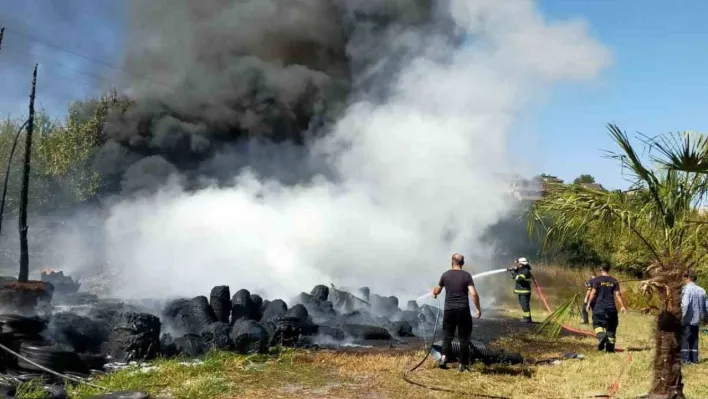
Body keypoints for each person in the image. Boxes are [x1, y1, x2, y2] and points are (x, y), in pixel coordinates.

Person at [432, 253, 481, 373]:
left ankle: (443, 358)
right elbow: (473, 293)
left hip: (449, 310)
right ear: (462, 263)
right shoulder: (467, 276)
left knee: (447, 336)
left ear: (451, 262)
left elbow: (437, 290)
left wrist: (434, 292)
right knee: (464, 338)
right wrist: (478, 308)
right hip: (463, 310)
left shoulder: (445, 275)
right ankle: (462, 364)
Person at [586, 264, 627, 352]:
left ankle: (602, 336)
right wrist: (623, 306)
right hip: (611, 308)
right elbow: (618, 295)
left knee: (596, 324)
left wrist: (588, 303)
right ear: (609, 269)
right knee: (611, 327)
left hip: (599, 308)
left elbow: (593, 292)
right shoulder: (614, 280)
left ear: (601, 269)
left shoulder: (597, 280)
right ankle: (610, 349)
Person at [680, 270, 708, 364]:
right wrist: (705, 318)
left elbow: (685, 305)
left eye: (684, 277)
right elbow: (706, 306)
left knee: (685, 339)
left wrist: (681, 316)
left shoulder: (686, 289)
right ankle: (694, 359)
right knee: (694, 339)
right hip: (697, 320)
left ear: (688, 278)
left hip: (686, 319)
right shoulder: (702, 290)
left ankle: (685, 359)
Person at [508, 257, 534, 323]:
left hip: (524, 291)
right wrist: (512, 270)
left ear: (523, 264)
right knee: (523, 305)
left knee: (525, 306)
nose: (518, 265)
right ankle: (526, 318)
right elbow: (515, 275)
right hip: (521, 291)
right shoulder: (520, 270)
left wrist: (513, 272)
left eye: (519, 264)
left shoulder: (526, 271)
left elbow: (519, 279)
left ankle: (527, 319)